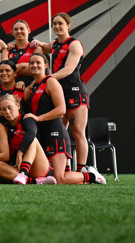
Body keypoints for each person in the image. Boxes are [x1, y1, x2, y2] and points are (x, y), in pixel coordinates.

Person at [23, 53, 105, 185]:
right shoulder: (34, 86)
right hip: (43, 134)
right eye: (31, 63)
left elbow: (61, 110)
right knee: (52, 177)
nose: (34, 65)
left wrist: (38, 118)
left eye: (38, 62)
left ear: (45, 65)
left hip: (56, 134)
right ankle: (82, 179)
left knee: (60, 179)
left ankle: (91, 176)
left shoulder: (51, 82)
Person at [31, 13, 90, 173]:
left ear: (68, 25)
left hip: (75, 92)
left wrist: (45, 79)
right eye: (54, 24)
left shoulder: (74, 44)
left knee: (78, 132)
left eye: (60, 24)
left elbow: (69, 69)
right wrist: (36, 42)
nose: (57, 26)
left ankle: (82, 170)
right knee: (59, 131)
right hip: (59, 92)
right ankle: (62, 168)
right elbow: (43, 46)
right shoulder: (55, 44)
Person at [0, 94, 56, 185]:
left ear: (18, 106)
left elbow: (31, 132)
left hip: (39, 166)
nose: (7, 112)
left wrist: (21, 152)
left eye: (10, 108)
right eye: (3, 109)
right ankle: (35, 182)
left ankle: (23, 174)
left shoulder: (26, 119)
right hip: (17, 166)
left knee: (32, 139)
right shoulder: (2, 121)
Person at [7, 19, 41, 85]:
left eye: (22, 28)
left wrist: (12, 68)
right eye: (16, 29)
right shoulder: (8, 49)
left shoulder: (36, 48)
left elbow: (36, 70)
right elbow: (4, 70)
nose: (19, 31)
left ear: (28, 30)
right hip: (12, 87)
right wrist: (25, 66)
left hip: (32, 86)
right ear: (13, 33)